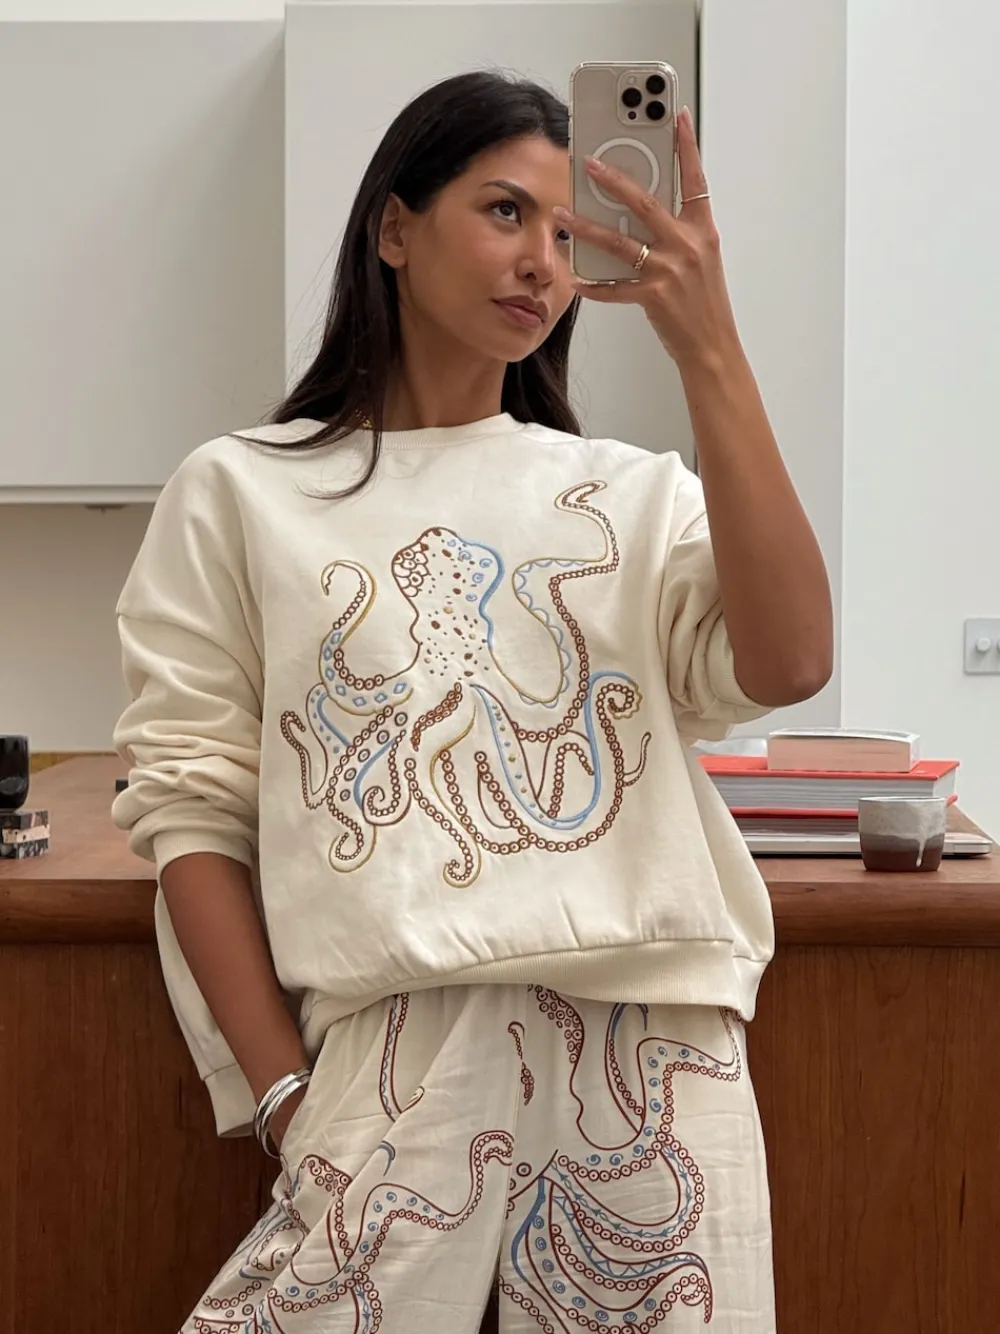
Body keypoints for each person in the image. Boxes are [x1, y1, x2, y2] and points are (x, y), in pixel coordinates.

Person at [112, 70, 832, 1333]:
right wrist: (283, 1096)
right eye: (504, 212)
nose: (542, 260)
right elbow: (190, 811)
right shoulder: (240, 491)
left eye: (565, 230)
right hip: (393, 1051)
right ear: (394, 227)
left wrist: (709, 348)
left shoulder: (630, 494)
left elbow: (788, 661)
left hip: (656, 1043)